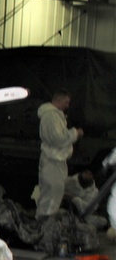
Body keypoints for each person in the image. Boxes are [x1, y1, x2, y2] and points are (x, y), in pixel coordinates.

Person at [36, 89, 83, 219]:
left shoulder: (55, 116)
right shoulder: (50, 116)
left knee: (55, 192)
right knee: (51, 193)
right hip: (52, 160)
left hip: (56, 161)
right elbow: (58, 139)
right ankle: (44, 221)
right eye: (66, 102)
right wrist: (75, 133)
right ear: (58, 100)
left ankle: (47, 220)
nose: (68, 106)